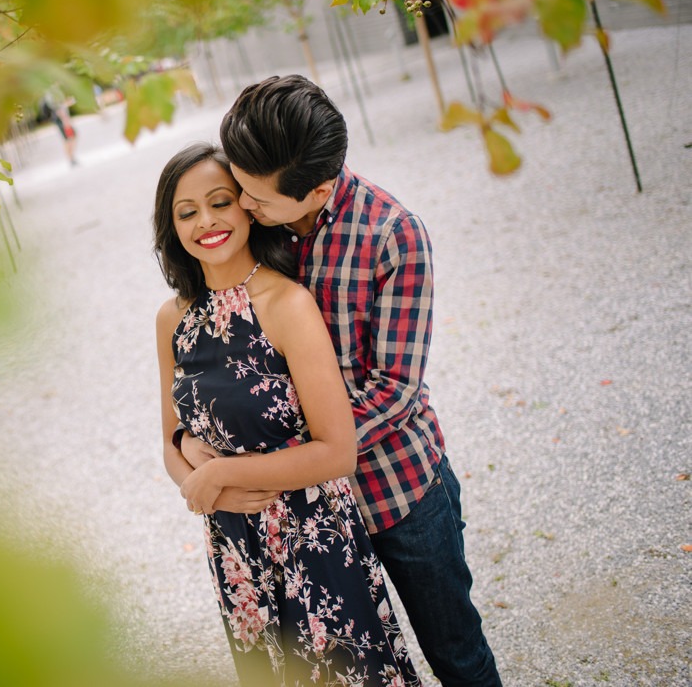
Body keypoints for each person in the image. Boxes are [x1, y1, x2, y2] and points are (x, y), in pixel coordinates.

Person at [182, 74, 502, 686]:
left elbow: (395, 389)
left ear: (318, 190)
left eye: (256, 200)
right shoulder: (262, 222)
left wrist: (279, 454)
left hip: (396, 494)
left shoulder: (393, 236)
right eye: (239, 191)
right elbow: (219, 346)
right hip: (307, 520)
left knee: (455, 654)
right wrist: (192, 441)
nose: (242, 207)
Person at [154, 142, 421, 686]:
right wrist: (200, 488)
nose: (206, 221)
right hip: (234, 548)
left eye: (220, 202)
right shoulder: (171, 318)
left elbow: (336, 451)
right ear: (172, 226)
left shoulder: (288, 304)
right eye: (187, 212)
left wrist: (223, 473)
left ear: (246, 208)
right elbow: (170, 440)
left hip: (313, 540)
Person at [39, 85, 78, 167]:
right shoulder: (52, 93)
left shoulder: (53, 92)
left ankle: (71, 158)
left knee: (71, 137)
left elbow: (60, 105)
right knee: (68, 138)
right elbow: (57, 107)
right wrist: (65, 119)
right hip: (61, 119)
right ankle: (71, 159)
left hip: (62, 118)